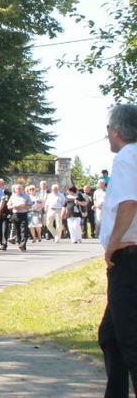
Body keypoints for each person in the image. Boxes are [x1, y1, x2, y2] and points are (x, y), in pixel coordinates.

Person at [98, 103, 137, 397]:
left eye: (108, 131)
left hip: (128, 257)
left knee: (129, 340)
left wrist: (112, 244)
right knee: (110, 336)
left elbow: (129, 202)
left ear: (116, 131)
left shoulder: (127, 157)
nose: (108, 136)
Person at [6, 184, 32, 251]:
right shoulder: (13, 196)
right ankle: (20, 244)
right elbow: (8, 206)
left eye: (20, 188)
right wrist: (13, 206)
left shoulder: (26, 196)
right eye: (17, 189)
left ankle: (23, 244)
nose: (19, 190)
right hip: (15, 214)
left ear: (22, 189)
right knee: (18, 230)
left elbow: (30, 206)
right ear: (15, 190)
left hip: (23, 214)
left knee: (24, 230)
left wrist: (24, 206)